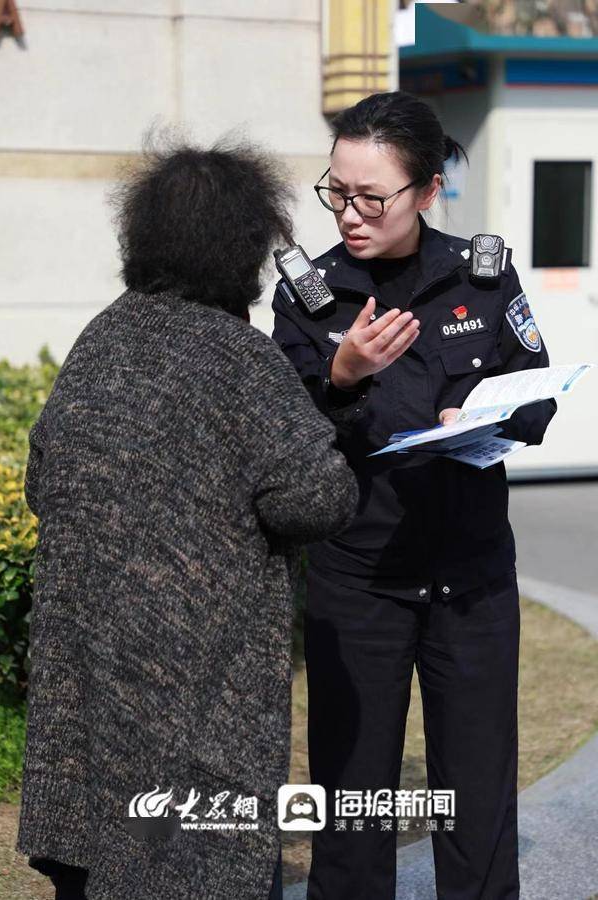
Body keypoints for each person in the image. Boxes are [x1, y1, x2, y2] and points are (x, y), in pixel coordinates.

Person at [15, 134, 361, 900]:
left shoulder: (100, 340)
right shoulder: (241, 360)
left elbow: (45, 481)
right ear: (245, 248)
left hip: (89, 689)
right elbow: (318, 498)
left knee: (101, 859)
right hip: (197, 691)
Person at [271, 90, 557, 900]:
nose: (350, 213)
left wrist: (488, 413)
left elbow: (538, 393)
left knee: (476, 796)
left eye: (372, 196)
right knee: (354, 799)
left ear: (429, 190)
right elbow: (281, 431)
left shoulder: (483, 278)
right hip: (356, 583)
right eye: (337, 192)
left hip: (471, 581)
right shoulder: (307, 296)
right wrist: (341, 376)